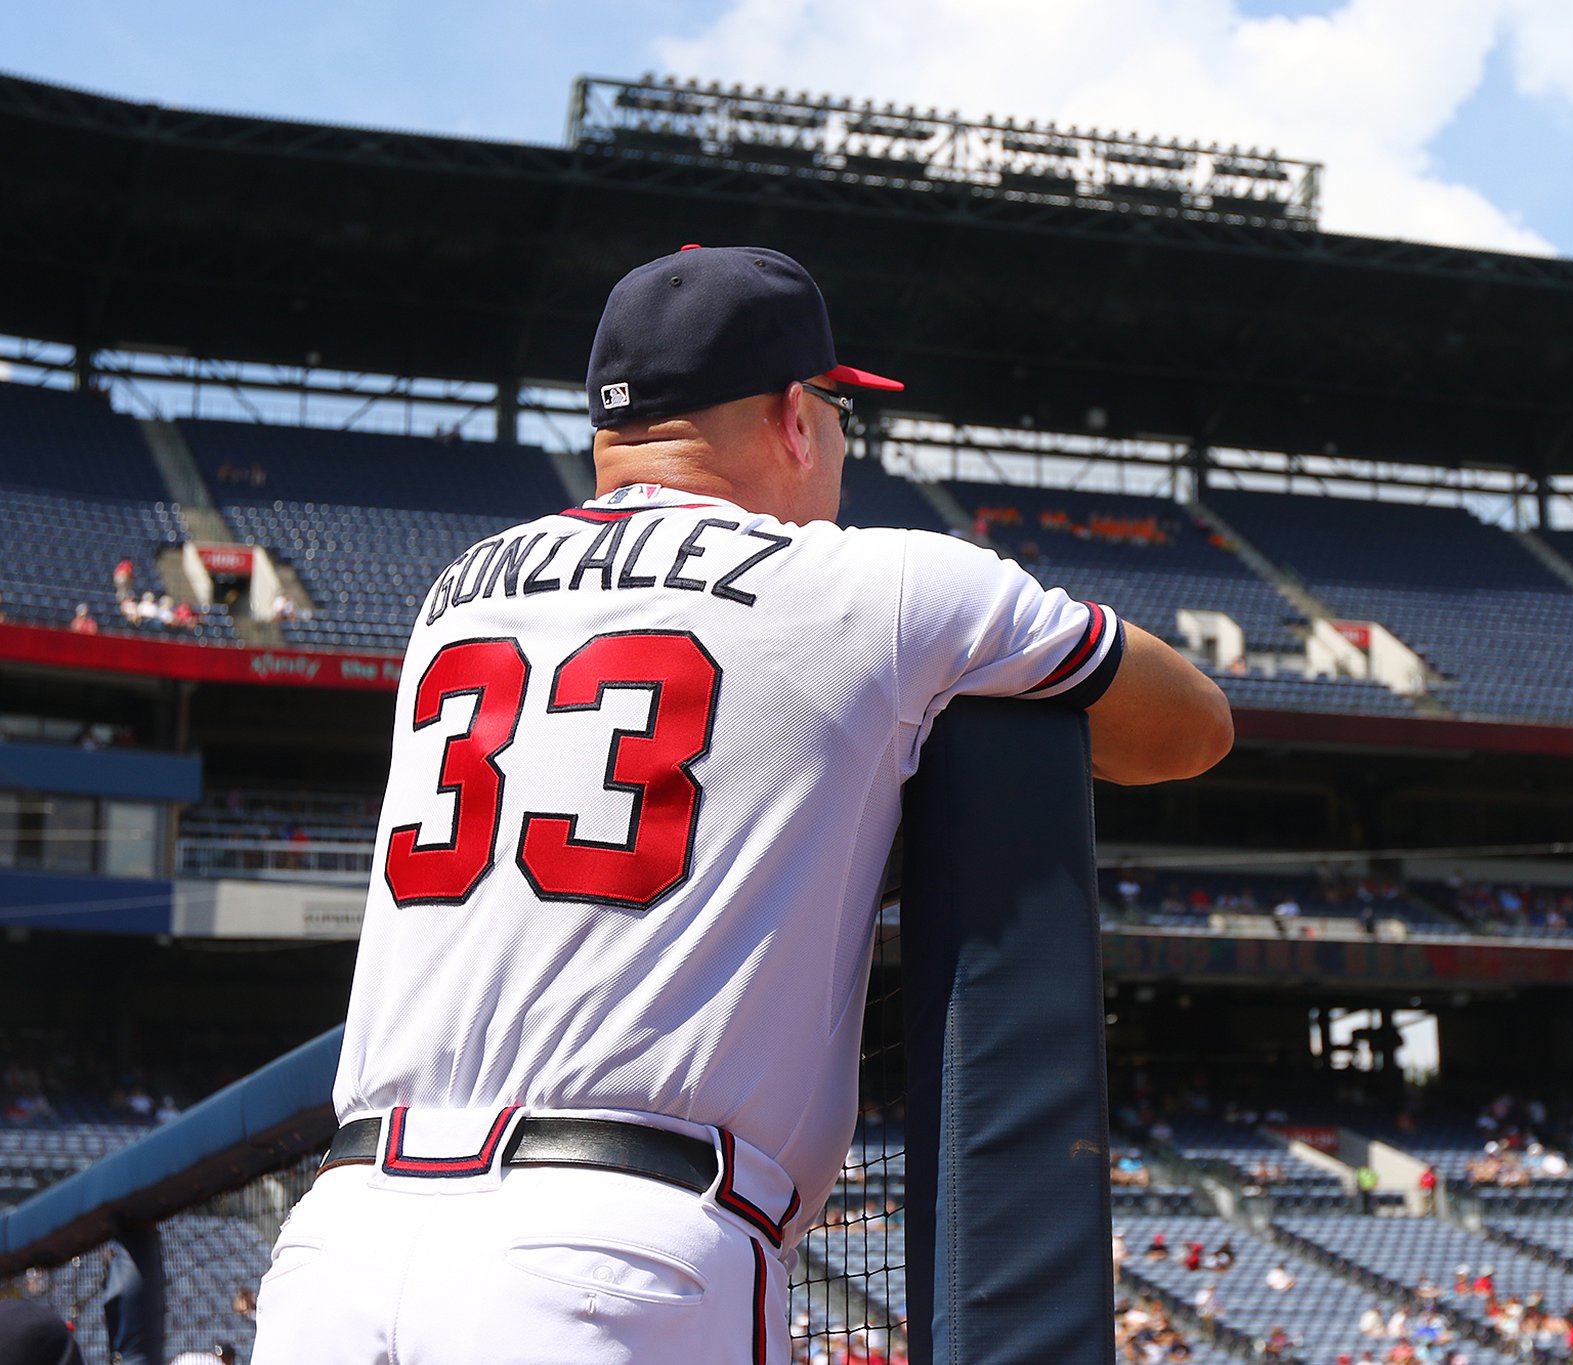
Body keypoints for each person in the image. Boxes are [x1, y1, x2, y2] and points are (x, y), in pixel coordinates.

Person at [249, 245, 1232, 1365]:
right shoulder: (885, 584)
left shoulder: (455, 590)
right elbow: (1191, 727)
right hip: (615, 1253)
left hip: (340, 1242)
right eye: (835, 408)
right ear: (791, 416)